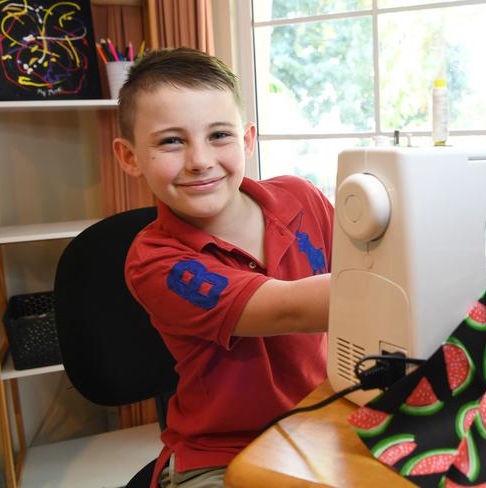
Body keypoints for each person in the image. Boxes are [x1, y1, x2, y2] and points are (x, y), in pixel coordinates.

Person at [112, 47, 332, 488]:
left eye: (219, 135)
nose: (200, 160)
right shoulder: (155, 260)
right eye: (172, 140)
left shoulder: (300, 197)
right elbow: (288, 309)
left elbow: (372, 260)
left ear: (247, 140)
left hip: (322, 425)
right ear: (130, 157)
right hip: (223, 453)